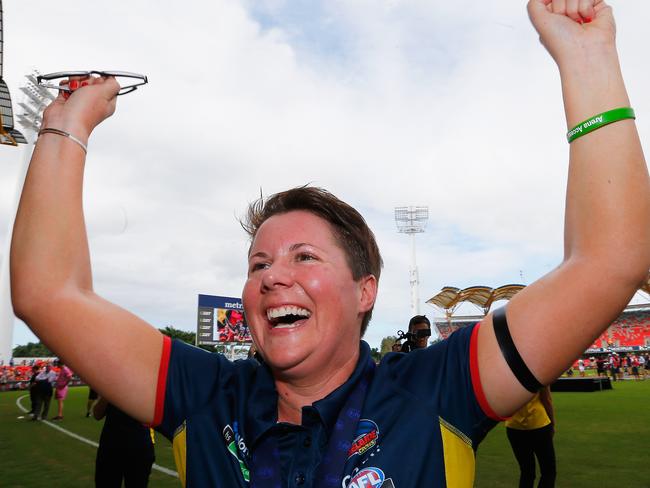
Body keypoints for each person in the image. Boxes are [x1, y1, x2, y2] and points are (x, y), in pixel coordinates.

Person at [10, 1, 650, 486]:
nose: (270, 276)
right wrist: (65, 127)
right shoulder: (203, 397)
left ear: (365, 289)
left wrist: (587, 60)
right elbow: (48, 294)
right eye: (258, 262)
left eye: (304, 257)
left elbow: (608, 260)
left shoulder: (438, 390)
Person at [93, 396, 156, 487]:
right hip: (110, 448)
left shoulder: (147, 384)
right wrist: (107, 393)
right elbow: (97, 414)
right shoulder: (111, 383)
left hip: (139, 447)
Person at [505, 386, 556, 488]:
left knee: (527, 472)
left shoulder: (507, 372)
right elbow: (547, 399)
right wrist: (552, 423)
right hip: (538, 424)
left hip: (514, 426)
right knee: (548, 472)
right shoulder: (540, 371)